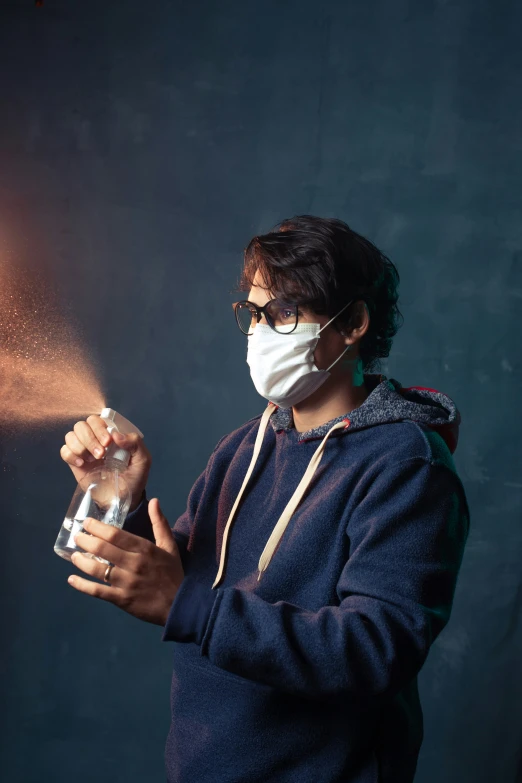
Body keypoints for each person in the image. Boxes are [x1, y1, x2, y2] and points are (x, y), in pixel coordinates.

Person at [61, 215, 470, 783]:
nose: (259, 331)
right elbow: (179, 580)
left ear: (352, 322)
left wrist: (188, 604)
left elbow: (376, 650)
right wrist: (116, 496)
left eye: (284, 313)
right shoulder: (243, 446)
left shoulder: (406, 466)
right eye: (254, 313)